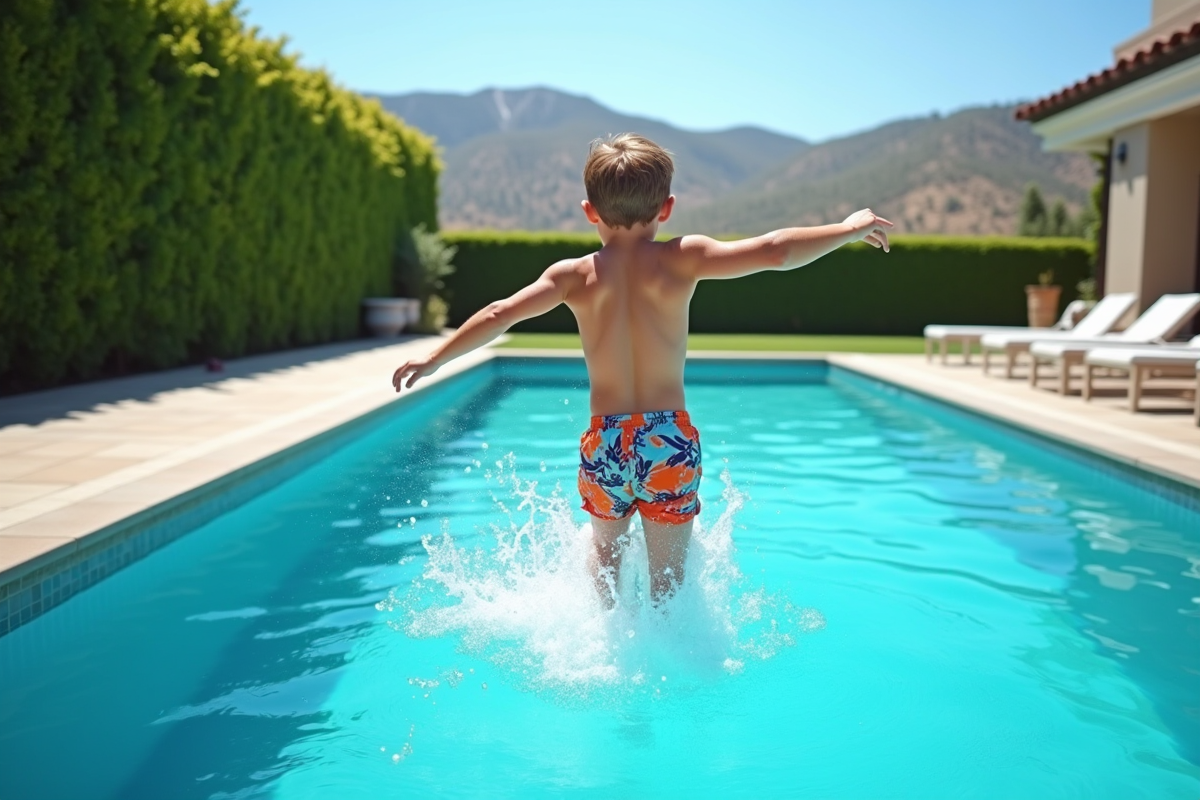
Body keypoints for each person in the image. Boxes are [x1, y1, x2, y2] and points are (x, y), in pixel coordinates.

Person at [392, 133, 892, 605]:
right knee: (669, 587)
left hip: (605, 440)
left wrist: (435, 358)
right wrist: (850, 228)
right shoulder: (682, 258)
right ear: (667, 207)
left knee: (604, 566)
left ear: (590, 212)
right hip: (667, 440)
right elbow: (776, 251)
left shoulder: (573, 276)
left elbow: (500, 314)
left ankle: (605, 649)